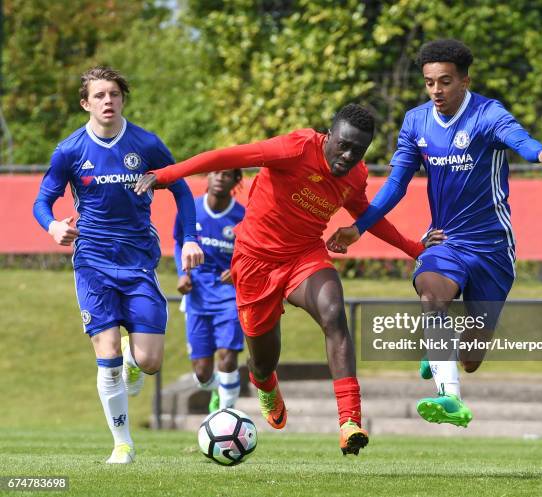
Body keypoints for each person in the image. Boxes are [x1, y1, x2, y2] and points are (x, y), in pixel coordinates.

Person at [134, 104, 429, 455]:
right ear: (328, 136)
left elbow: (366, 214)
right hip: (255, 261)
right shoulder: (295, 148)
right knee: (262, 360)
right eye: (344, 145)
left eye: (358, 151)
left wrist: (414, 248)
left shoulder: (355, 176)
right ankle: (264, 382)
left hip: (304, 255)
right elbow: (226, 155)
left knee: (334, 313)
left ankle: (349, 421)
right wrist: (168, 174)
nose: (348, 156)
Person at [327, 39, 542, 428]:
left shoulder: (488, 114)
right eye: (429, 83)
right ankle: (449, 397)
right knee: (432, 297)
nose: (436, 91)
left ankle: (440, 349)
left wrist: (539, 152)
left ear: (464, 80)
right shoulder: (416, 122)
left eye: (444, 82)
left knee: (472, 359)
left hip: (492, 248)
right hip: (445, 241)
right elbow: (396, 184)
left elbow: (518, 139)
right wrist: (359, 227)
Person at [32, 66, 204, 464]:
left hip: (139, 261)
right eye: (99, 95)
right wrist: (52, 225)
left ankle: (132, 358)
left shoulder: (145, 144)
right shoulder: (70, 150)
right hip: (92, 260)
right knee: (105, 355)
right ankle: (122, 444)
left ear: (123, 98)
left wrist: (191, 237)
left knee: (149, 361)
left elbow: (180, 187)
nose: (107, 101)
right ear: (85, 103)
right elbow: (42, 201)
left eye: (114, 94)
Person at [173, 170, 245, 412]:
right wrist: (182, 273)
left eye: (226, 175)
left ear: (236, 182)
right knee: (202, 375)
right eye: (215, 173)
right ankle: (219, 389)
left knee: (227, 357)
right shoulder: (191, 209)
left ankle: (227, 417)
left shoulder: (243, 217)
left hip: (229, 296)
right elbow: (178, 242)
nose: (219, 178)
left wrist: (238, 270)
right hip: (198, 296)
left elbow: (254, 254)